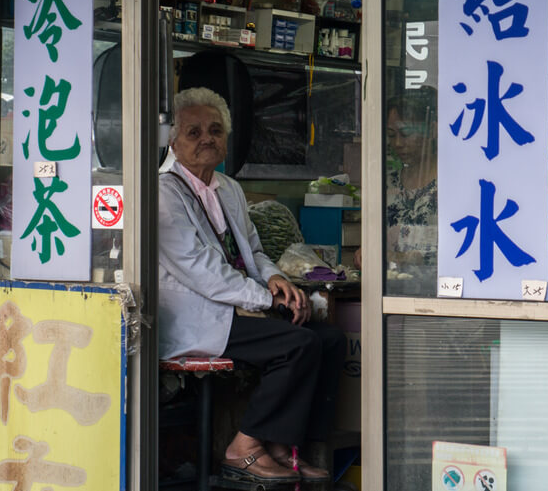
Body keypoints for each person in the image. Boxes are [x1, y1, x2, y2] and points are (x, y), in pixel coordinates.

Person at [158, 86, 346, 485]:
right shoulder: (162, 193)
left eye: (215, 130)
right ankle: (242, 447)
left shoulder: (229, 188)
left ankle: (285, 447)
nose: (206, 138)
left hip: (235, 303)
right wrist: (264, 300)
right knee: (297, 344)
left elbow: (253, 250)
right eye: (193, 132)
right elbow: (201, 270)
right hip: (196, 315)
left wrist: (276, 279)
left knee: (329, 340)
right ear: (172, 141)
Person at [354, 87, 438, 274]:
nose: (398, 143)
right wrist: (366, 252)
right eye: (392, 135)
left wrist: (401, 257)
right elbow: (374, 241)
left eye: (406, 133)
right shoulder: (386, 185)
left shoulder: (451, 184)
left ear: (433, 130)